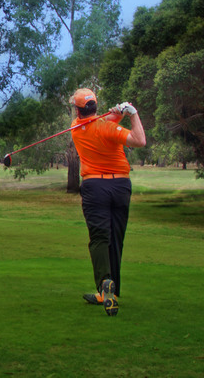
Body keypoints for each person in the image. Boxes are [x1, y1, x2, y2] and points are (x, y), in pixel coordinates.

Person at [70, 88, 146, 316]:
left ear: (78, 109)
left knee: (99, 238)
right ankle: (108, 291)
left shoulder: (76, 128)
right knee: (115, 238)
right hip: (120, 187)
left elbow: (99, 125)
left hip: (95, 187)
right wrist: (131, 113)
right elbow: (139, 140)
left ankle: (105, 283)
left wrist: (119, 114)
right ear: (95, 105)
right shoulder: (109, 128)